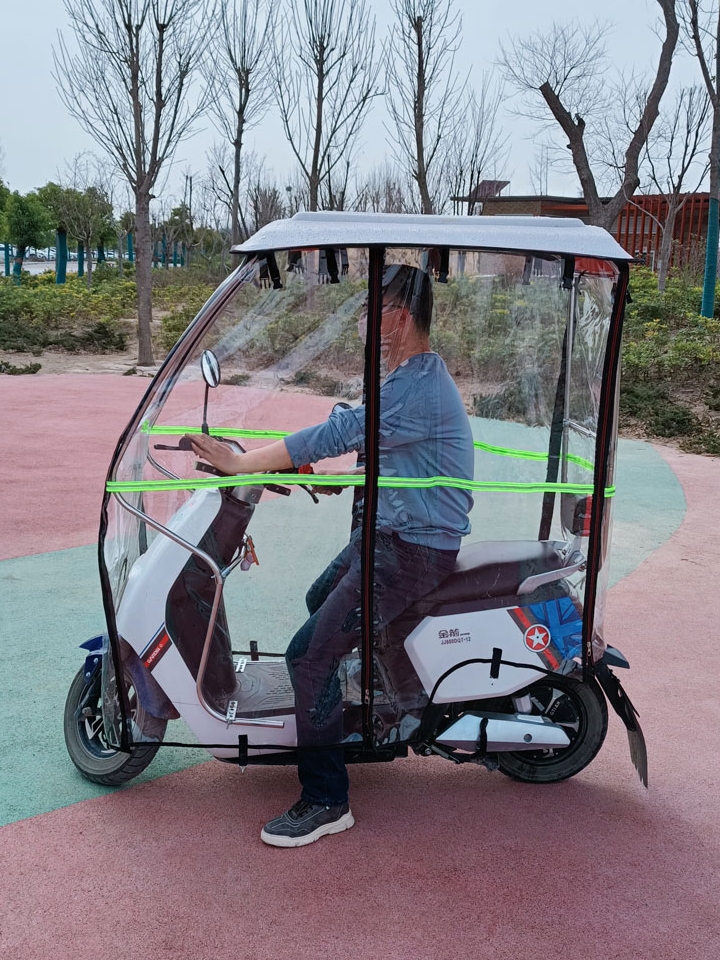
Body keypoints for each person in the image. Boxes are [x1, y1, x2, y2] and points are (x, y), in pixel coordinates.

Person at [189, 264, 474, 848]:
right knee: (320, 598)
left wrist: (246, 462)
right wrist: (326, 475)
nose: (369, 324)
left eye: (375, 312)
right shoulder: (407, 376)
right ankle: (355, 699)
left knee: (306, 657)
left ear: (399, 316)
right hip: (392, 536)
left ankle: (326, 798)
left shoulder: (417, 385)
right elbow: (376, 447)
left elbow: (345, 432)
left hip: (411, 549)